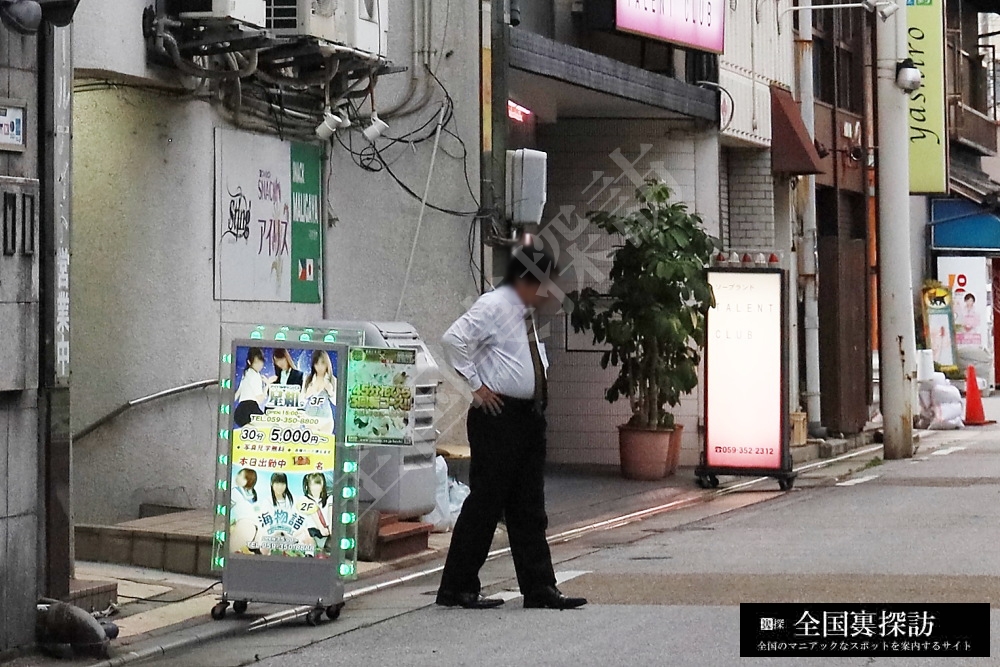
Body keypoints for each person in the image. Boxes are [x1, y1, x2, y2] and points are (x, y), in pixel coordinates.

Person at [436, 237, 587, 611]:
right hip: (498, 415)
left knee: (529, 504)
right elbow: (453, 339)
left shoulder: (525, 312)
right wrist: (476, 386)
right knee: (487, 502)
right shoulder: (494, 305)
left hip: (527, 416)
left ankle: (539, 588)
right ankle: (458, 587)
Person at [303, 350, 337, 435]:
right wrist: (307, 394)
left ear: (327, 363)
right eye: (316, 364)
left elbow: (337, 403)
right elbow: (301, 402)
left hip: (326, 420)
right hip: (310, 419)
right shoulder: (308, 379)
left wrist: (331, 392)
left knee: (324, 445)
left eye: (322, 363)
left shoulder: (332, 380)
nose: (320, 367)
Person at [298, 473, 333, 555]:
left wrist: (331, 529)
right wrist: (321, 528)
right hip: (312, 532)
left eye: (318, 484)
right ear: (308, 486)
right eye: (313, 485)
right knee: (307, 537)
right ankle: (309, 555)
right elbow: (312, 512)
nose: (316, 488)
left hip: (327, 532)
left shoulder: (329, 498)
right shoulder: (304, 499)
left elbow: (330, 512)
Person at [234, 348, 267, 427]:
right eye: (256, 362)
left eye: (260, 362)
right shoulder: (255, 375)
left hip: (239, 412)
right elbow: (260, 399)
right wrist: (268, 385)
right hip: (250, 410)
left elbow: (237, 394)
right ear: (249, 362)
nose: (259, 365)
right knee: (270, 426)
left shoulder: (246, 373)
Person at [230, 468, 260, 553]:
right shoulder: (253, 494)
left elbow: (227, 508)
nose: (237, 476)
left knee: (233, 554)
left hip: (244, 526)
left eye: (240, 475)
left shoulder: (235, 491)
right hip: (257, 529)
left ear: (247, 481)